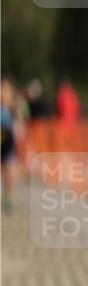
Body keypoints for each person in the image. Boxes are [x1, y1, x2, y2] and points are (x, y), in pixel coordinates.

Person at [1, 77, 24, 213]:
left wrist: (18, 129)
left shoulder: (13, 109)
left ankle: (8, 199)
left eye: (4, 89)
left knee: (8, 171)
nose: (2, 92)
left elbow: (19, 127)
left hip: (8, 143)